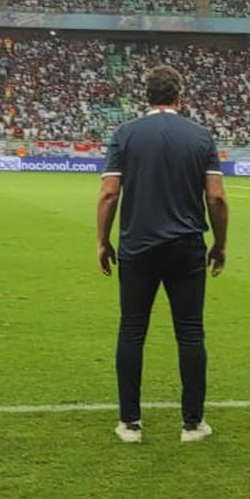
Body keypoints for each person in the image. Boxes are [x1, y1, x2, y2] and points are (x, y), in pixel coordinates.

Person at [96, 65, 228, 445]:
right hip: (186, 247)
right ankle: (192, 424)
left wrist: (103, 241)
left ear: (146, 96)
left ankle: (130, 424)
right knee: (190, 332)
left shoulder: (125, 134)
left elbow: (109, 194)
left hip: (137, 246)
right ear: (179, 95)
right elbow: (216, 197)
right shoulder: (200, 135)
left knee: (132, 330)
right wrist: (220, 244)